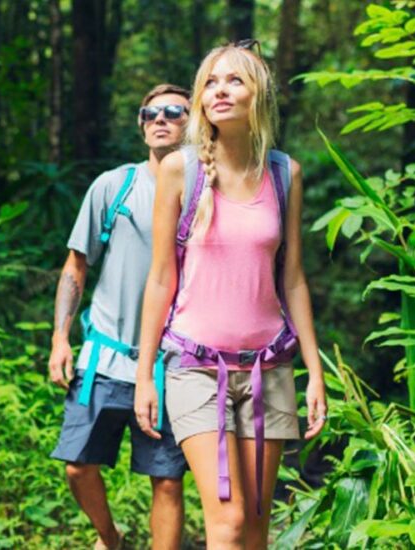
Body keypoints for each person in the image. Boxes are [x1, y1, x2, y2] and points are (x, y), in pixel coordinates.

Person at [132, 40, 328, 550]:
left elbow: (294, 278)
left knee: (258, 528)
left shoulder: (286, 173)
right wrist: (144, 376)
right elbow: (160, 279)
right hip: (196, 368)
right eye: (211, 82)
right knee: (229, 522)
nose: (220, 90)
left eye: (234, 80)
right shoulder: (181, 170)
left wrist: (316, 374)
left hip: (269, 369)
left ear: (258, 94)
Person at [49, 84, 195, 550]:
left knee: (168, 481)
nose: (160, 118)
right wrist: (60, 338)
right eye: (150, 112)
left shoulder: (204, 191)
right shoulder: (115, 186)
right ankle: (110, 538)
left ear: (193, 124)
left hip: (172, 364)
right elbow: (76, 263)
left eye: (174, 111)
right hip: (107, 357)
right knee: (77, 465)